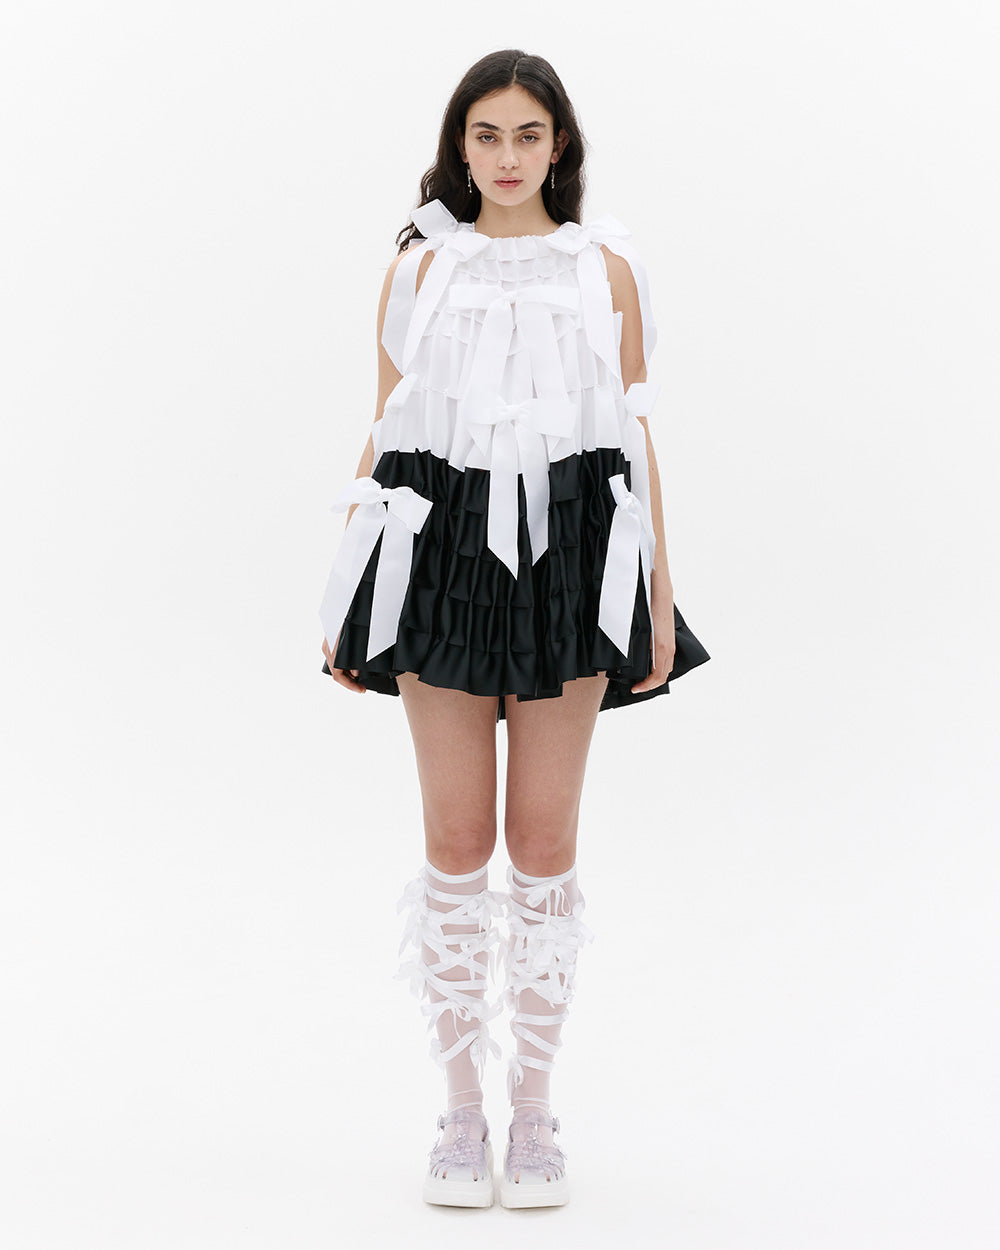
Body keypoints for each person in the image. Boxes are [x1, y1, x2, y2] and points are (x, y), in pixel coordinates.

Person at [318, 49, 710, 1209]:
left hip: (572, 548)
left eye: (526, 134)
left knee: (540, 839)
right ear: (461, 144)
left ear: (558, 146)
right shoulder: (417, 265)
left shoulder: (606, 268)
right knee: (455, 838)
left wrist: (657, 590)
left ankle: (532, 1110)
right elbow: (386, 422)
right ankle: (459, 1112)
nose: (505, 156)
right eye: (485, 134)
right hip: (437, 543)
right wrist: (348, 585)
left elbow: (634, 430)